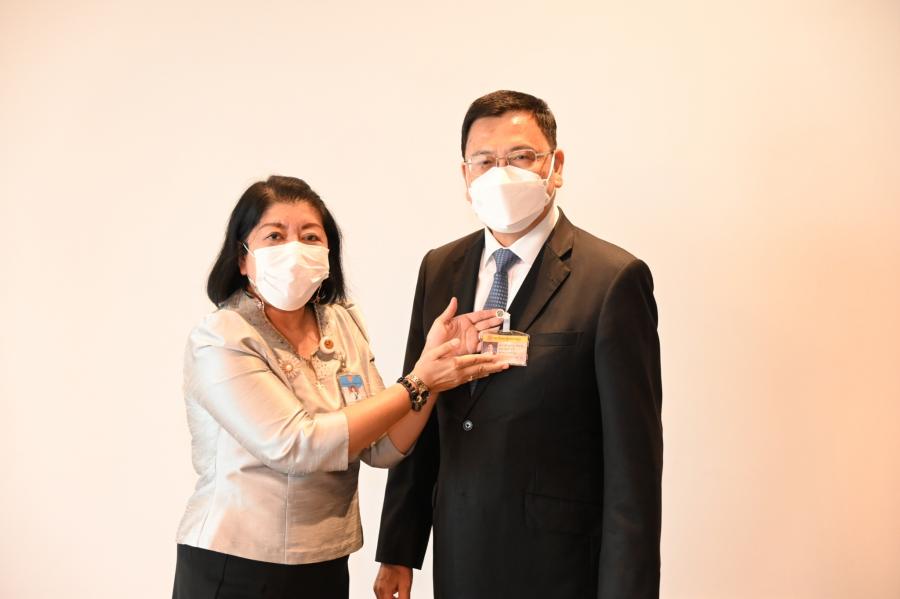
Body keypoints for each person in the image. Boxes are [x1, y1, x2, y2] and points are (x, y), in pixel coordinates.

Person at [374, 91, 663, 598]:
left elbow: (632, 468)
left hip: (559, 567)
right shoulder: (440, 268)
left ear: (556, 166)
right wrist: (399, 548)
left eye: (521, 157)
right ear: (465, 175)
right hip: (461, 556)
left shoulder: (612, 279)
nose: (501, 174)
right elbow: (424, 399)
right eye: (484, 161)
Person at [172, 175, 507, 599]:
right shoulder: (222, 338)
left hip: (325, 562)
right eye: (275, 236)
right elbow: (297, 445)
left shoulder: (341, 321)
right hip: (236, 562)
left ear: (328, 253)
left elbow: (382, 445)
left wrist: (436, 370)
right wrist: (418, 380)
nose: (294, 250)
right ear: (242, 258)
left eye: (310, 236)